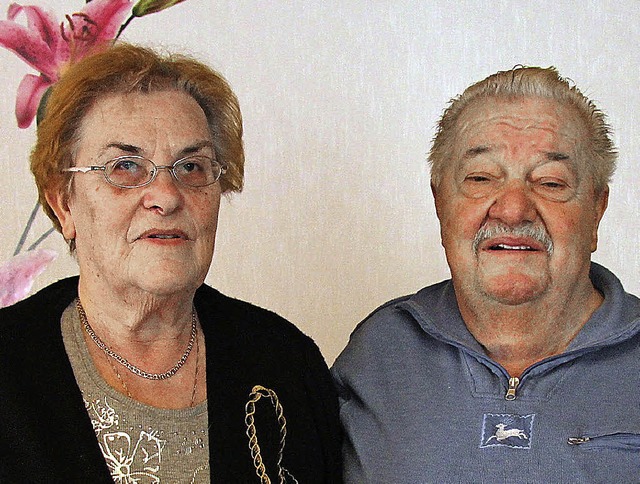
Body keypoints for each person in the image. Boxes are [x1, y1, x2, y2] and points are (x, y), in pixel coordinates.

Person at [0, 43, 342, 483]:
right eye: (124, 166)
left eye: (192, 167)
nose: (165, 195)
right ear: (64, 205)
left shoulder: (286, 362)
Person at [332, 66, 640, 482]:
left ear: (597, 210)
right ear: (441, 204)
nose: (513, 209)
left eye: (550, 182)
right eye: (480, 178)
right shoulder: (379, 351)